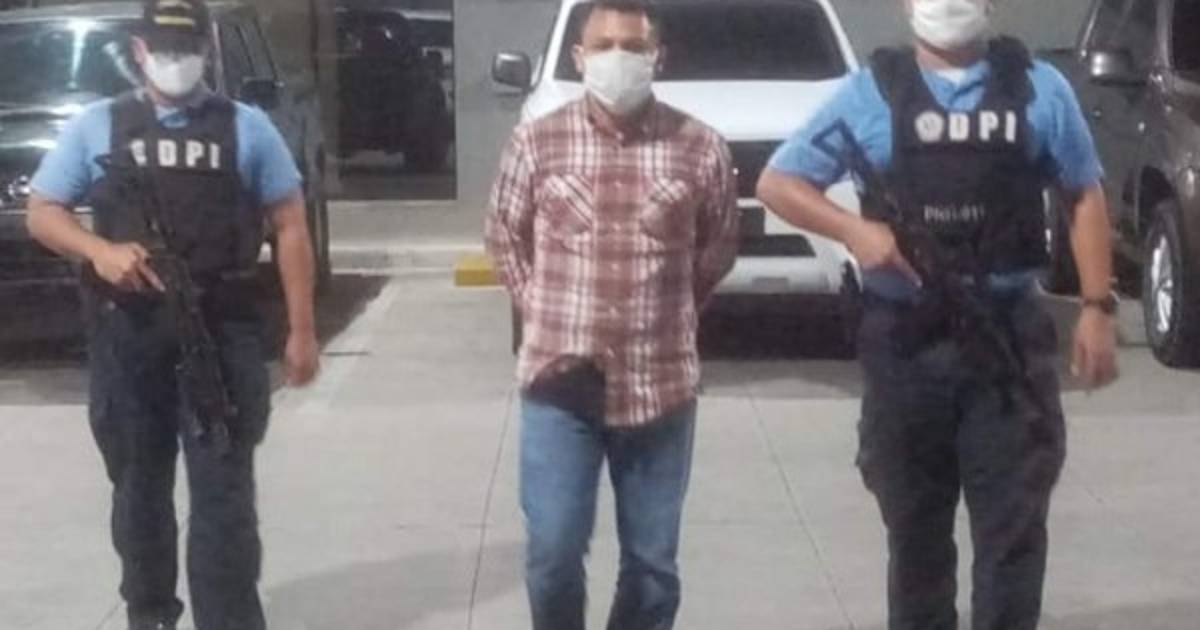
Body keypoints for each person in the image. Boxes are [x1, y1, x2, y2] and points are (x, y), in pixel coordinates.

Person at [757, 1, 1119, 629]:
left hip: (1006, 342)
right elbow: (779, 182)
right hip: (907, 342)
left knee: (1013, 536)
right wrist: (854, 230)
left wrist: (1096, 307)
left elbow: (1083, 193)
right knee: (916, 538)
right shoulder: (872, 91)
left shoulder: (1037, 86)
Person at [25, 1, 320, 628]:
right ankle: (151, 612)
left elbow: (290, 225)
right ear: (138, 51)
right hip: (129, 334)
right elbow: (43, 211)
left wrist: (302, 331)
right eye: (163, 49)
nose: (175, 61)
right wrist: (99, 251)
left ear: (208, 51)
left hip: (221, 331)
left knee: (224, 497)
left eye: (187, 49)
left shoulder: (246, 128)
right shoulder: (98, 125)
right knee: (138, 491)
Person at [484, 1, 739, 627]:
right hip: (559, 386)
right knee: (553, 554)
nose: (617, 58)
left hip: (660, 388)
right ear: (579, 57)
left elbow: (718, 247)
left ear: (658, 57)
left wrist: (671, 311)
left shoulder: (699, 147)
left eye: (632, 46)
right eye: (603, 46)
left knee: (652, 567)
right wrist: (544, 310)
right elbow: (504, 235)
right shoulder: (537, 141)